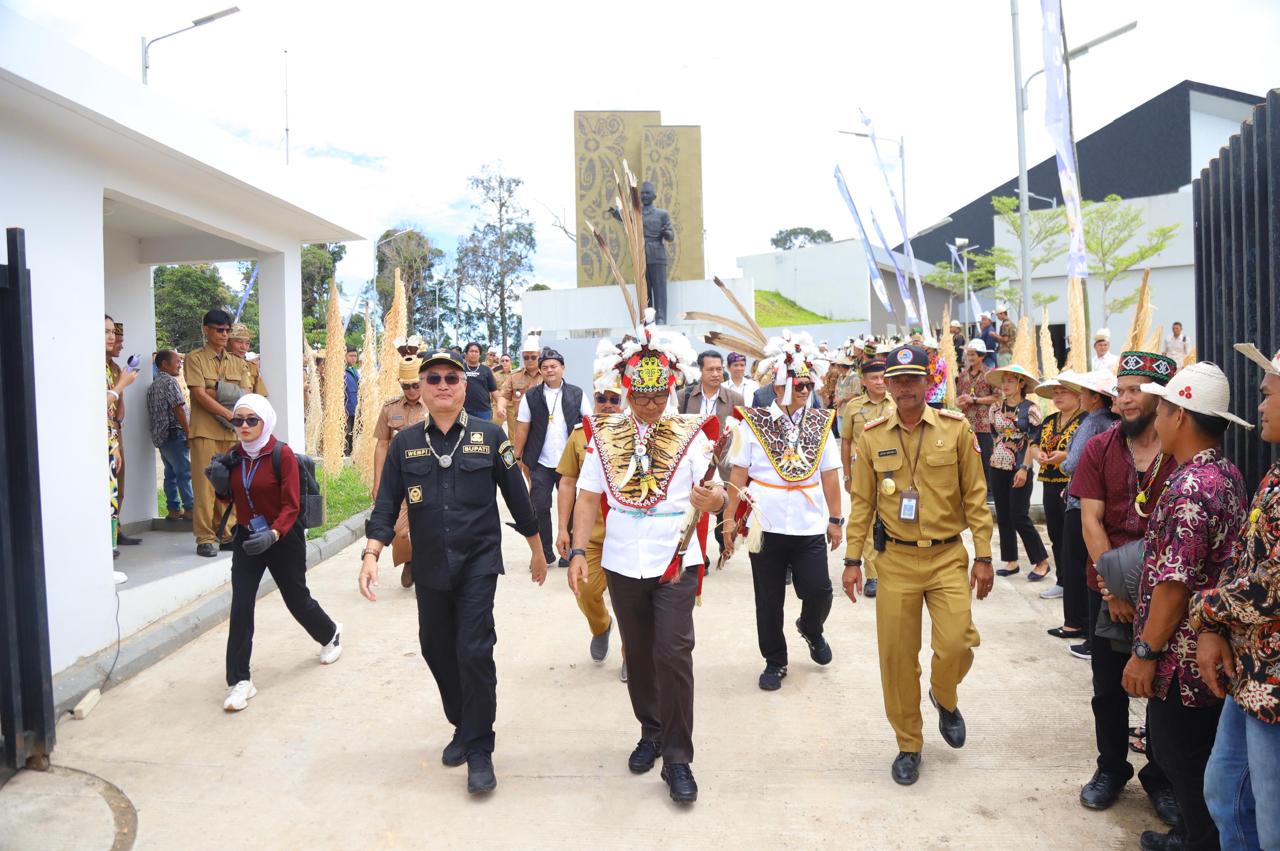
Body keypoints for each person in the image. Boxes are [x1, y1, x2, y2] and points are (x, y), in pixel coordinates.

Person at [360, 349, 547, 795]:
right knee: (435, 648)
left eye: (452, 378)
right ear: (421, 389)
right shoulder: (406, 443)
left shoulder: (490, 434)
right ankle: (463, 722)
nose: (443, 385)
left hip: (479, 561)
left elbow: (517, 497)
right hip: (430, 564)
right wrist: (372, 552)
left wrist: (536, 549)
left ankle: (480, 748)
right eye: (434, 378)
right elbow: (387, 502)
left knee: (474, 649)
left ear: (466, 387)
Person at [566, 316, 724, 804]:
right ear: (627, 391)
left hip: (675, 559)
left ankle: (678, 759)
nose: (650, 406)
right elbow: (588, 497)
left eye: (658, 397)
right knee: (637, 654)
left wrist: (711, 501)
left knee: (673, 653)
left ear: (671, 391)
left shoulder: (692, 434)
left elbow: (717, 492)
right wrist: (575, 550)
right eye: (640, 397)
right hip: (620, 561)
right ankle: (651, 730)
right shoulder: (605, 433)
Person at [841, 344, 994, 786]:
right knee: (896, 657)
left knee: (957, 643)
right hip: (896, 561)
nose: (906, 388)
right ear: (886, 385)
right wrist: (853, 559)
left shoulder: (956, 429)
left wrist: (983, 554)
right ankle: (909, 743)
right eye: (898, 380)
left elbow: (976, 498)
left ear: (929, 383)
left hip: (947, 555)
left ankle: (943, 695)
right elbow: (863, 503)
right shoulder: (871, 436)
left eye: (914, 379)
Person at [1119, 362, 1249, 851]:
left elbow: (1175, 585)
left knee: (1181, 757)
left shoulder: (1192, 487)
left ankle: (1198, 840)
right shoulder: (1225, 473)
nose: (1156, 419)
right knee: (1202, 757)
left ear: (1181, 417)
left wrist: (1145, 654)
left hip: (1184, 660)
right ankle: (1193, 834)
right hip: (1207, 652)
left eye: (1164, 408)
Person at [1070, 351, 1180, 823]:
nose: (1124, 398)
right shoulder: (1101, 447)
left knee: (1165, 686)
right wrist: (1113, 589)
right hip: (1110, 587)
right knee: (1108, 687)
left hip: (1170, 592)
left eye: (1135, 390)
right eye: (1121, 389)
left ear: (1161, 397)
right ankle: (1111, 768)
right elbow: (1091, 521)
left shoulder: (1181, 450)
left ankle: (1161, 775)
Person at [1190, 341, 1280, 851]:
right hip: (1253, 670)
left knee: (1271, 826)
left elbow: (1271, 583)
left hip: (1274, 688)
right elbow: (1248, 561)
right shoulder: (1273, 471)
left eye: (1268, 395)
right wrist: (1220, 627)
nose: (1260, 406)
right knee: (1226, 793)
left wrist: (1204, 612)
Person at [205, 394, 343, 713]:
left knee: (296, 599)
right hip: (247, 538)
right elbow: (229, 500)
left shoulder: (282, 456)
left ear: (265, 421)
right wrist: (220, 485)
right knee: (241, 605)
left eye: (251, 420)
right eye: (237, 420)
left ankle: (330, 633)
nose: (243, 426)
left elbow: (292, 505)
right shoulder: (234, 456)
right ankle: (240, 680)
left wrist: (274, 533)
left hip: (283, 535)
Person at [723, 335, 842, 691]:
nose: (805, 391)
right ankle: (775, 660)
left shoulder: (820, 425)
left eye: (809, 384)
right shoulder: (754, 423)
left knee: (818, 589)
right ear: (778, 387)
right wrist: (730, 518)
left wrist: (836, 520)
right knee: (769, 600)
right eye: (798, 384)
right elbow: (738, 473)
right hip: (766, 523)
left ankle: (811, 627)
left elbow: (831, 474)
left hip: (807, 524)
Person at [555, 342, 627, 678]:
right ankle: (600, 626)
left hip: (628, 534)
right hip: (593, 535)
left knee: (632, 601)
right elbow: (567, 484)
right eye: (603, 399)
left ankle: (632, 653)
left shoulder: (637, 437)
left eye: (615, 400)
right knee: (585, 590)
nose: (609, 406)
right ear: (594, 400)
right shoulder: (581, 435)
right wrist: (562, 529)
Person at [1052, 370, 1119, 654]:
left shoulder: (1092, 422)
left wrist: (1063, 465)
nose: (1080, 396)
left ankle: (1076, 624)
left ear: (1094, 398)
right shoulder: (1115, 423)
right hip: (1105, 501)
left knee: (1078, 564)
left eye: (1084, 392)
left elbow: (1074, 462)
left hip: (1081, 502)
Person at [185, 310, 254, 557]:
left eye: (227, 330)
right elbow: (199, 395)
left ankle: (227, 533)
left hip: (233, 434)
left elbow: (245, 394)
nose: (224, 334)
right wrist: (228, 412)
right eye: (219, 330)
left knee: (232, 485)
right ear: (206, 330)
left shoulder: (238, 362)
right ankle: (205, 537)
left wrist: (216, 389)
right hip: (205, 431)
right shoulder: (195, 359)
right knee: (205, 487)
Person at [514, 347, 591, 568]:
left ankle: (568, 551)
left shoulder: (577, 393)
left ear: (562, 368)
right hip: (540, 460)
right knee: (539, 505)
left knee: (572, 506)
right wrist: (518, 455)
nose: (550, 370)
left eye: (553, 366)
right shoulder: (531, 396)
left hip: (570, 463)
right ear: (540, 371)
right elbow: (522, 427)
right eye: (545, 367)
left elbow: (589, 423)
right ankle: (545, 551)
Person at [986, 364, 1050, 580]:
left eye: (1011, 381)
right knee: (1003, 515)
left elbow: (1034, 439)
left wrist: (1024, 467)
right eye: (1004, 381)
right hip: (997, 464)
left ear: (1022, 383)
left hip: (1020, 465)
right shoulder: (995, 408)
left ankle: (1041, 560)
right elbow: (994, 435)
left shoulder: (1030, 408)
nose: (1005, 385)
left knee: (1019, 514)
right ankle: (1011, 561)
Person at [680, 350, 743, 565]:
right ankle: (700, 556)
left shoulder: (735, 399)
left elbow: (740, 434)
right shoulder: (685, 397)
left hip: (724, 464)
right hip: (694, 463)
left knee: (721, 507)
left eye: (719, 369)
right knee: (695, 507)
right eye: (710, 369)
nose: (716, 374)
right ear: (700, 371)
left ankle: (722, 541)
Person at [372, 355, 429, 590]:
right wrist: (377, 481)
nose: (412, 390)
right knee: (400, 531)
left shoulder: (435, 405)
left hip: (429, 476)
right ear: (399, 383)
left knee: (429, 527)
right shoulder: (390, 409)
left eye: (416, 384)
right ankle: (409, 560)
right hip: (400, 478)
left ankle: (426, 570)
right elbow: (382, 444)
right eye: (406, 386)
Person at [839, 355, 893, 597]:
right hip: (863, 473)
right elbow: (846, 442)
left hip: (895, 472)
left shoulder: (896, 403)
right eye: (875, 378)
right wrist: (847, 476)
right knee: (867, 521)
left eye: (883, 377)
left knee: (894, 519)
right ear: (864, 381)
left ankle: (892, 569)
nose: (880, 382)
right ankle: (872, 575)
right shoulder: (854, 407)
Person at [1033, 373, 1085, 601]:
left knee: (1072, 535)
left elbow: (1085, 451)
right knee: (1055, 533)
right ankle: (1062, 580)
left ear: (1077, 394)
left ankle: (1076, 582)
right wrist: (1039, 455)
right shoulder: (1049, 420)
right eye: (1055, 392)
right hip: (1049, 481)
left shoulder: (1085, 421)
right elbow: (1034, 444)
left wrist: (1064, 456)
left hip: (1072, 483)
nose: (1057, 396)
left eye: (1062, 391)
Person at [104, 316, 139, 580]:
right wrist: (120, 386)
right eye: (107, 333)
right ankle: (106, 540)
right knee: (106, 489)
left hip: (112, 432)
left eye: (114, 334)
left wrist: (118, 422)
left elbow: (119, 401)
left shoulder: (114, 367)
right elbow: (108, 397)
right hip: (101, 435)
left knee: (117, 485)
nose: (114, 339)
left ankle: (114, 533)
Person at [147, 349, 194, 522]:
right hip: (175, 434)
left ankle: (173, 509)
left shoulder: (153, 386)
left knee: (171, 474)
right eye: (177, 361)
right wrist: (188, 432)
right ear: (164, 364)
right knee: (184, 472)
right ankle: (190, 508)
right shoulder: (169, 382)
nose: (180, 364)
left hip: (161, 437)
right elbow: (178, 408)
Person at [956, 340, 999, 498]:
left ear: (981, 356)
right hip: (967, 424)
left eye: (973, 354)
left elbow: (997, 397)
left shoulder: (990, 375)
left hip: (986, 424)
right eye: (969, 354)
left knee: (986, 458)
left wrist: (974, 400)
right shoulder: (962, 376)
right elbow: (958, 398)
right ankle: (971, 490)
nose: (970, 357)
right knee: (967, 458)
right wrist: (959, 402)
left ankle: (990, 491)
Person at [497, 330, 542, 432]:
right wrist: (500, 407)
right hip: (519, 424)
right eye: (526, 357)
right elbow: (504, 395)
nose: (529, 360)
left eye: (533, 357)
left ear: (539, 355)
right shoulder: (514, 376)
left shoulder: (546, 375)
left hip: (542, 423)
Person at [461, 342, 499, 421]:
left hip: (483, 411)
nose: (474, 353)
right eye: (471, 351)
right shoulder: (460, 369)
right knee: (464, 433)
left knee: (484, 433)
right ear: (466, 354)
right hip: (463, 410)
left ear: (480, 355)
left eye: (476, 351)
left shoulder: (486, 370)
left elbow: (494, 390)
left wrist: (500, 406)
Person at [343, 345, 359, 455]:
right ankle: (345, 455)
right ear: (345, 356)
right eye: (351, 355)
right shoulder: (341, 371)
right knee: (346, 433)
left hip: (356, 408)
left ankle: (352, 455)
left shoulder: (355, 370)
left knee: (354, 433)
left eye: (355, 356)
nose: (353, 358)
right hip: (346, 409)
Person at [923, 337, 947, 409]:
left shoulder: (941, 363)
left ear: (934, 351)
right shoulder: (925, 363)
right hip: (924, 400)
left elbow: (932, 382)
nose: (925, 355)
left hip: (936, 400)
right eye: (923, 353)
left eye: (927, 353)